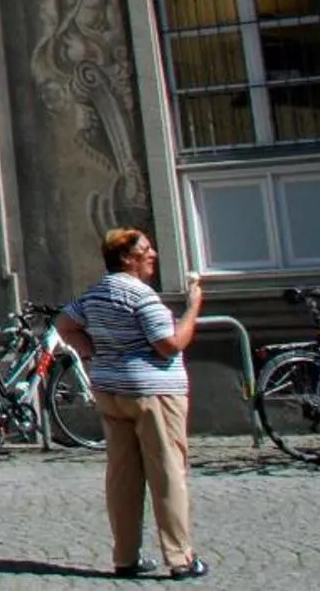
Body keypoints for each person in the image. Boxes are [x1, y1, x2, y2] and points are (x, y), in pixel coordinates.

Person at [56, 229, 208, 580]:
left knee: (122, 476)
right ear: (127, 257)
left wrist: (93, 351)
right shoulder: (143, 296)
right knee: (167, 472)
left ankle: (125, 557)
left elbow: (64, 324)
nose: (152, 254)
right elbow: (169, 344)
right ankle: (181, 558)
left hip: (111, 390)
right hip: (153, 394)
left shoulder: (95, 293)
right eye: (146, 250)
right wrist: (193, 307)